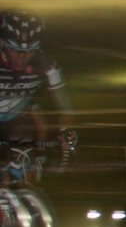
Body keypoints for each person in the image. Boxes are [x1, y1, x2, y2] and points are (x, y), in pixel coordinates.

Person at [0, 12, 77, 157]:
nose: (21, 57)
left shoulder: (47, 67)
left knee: (22, 164)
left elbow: (65, 110)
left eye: (29, 51)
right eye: (15, 50)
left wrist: (66, 131)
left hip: (18, 122)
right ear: (2, 43)